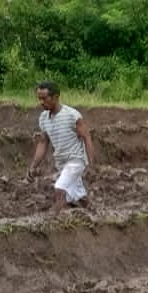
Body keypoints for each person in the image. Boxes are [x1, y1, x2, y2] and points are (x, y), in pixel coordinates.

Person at [25, 82, 96, 214]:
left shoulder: (72, 115)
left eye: (44, 98)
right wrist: (33, 166)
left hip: (76, 160)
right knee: (79, 196)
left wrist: (91, 165)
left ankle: (52, 219)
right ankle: (95, 215)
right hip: (62, 163)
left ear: (56, 97)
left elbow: (87, 137)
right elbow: (43, 143)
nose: (41, 102)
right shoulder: (43, 118)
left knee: (60, 188)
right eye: (39, 98)